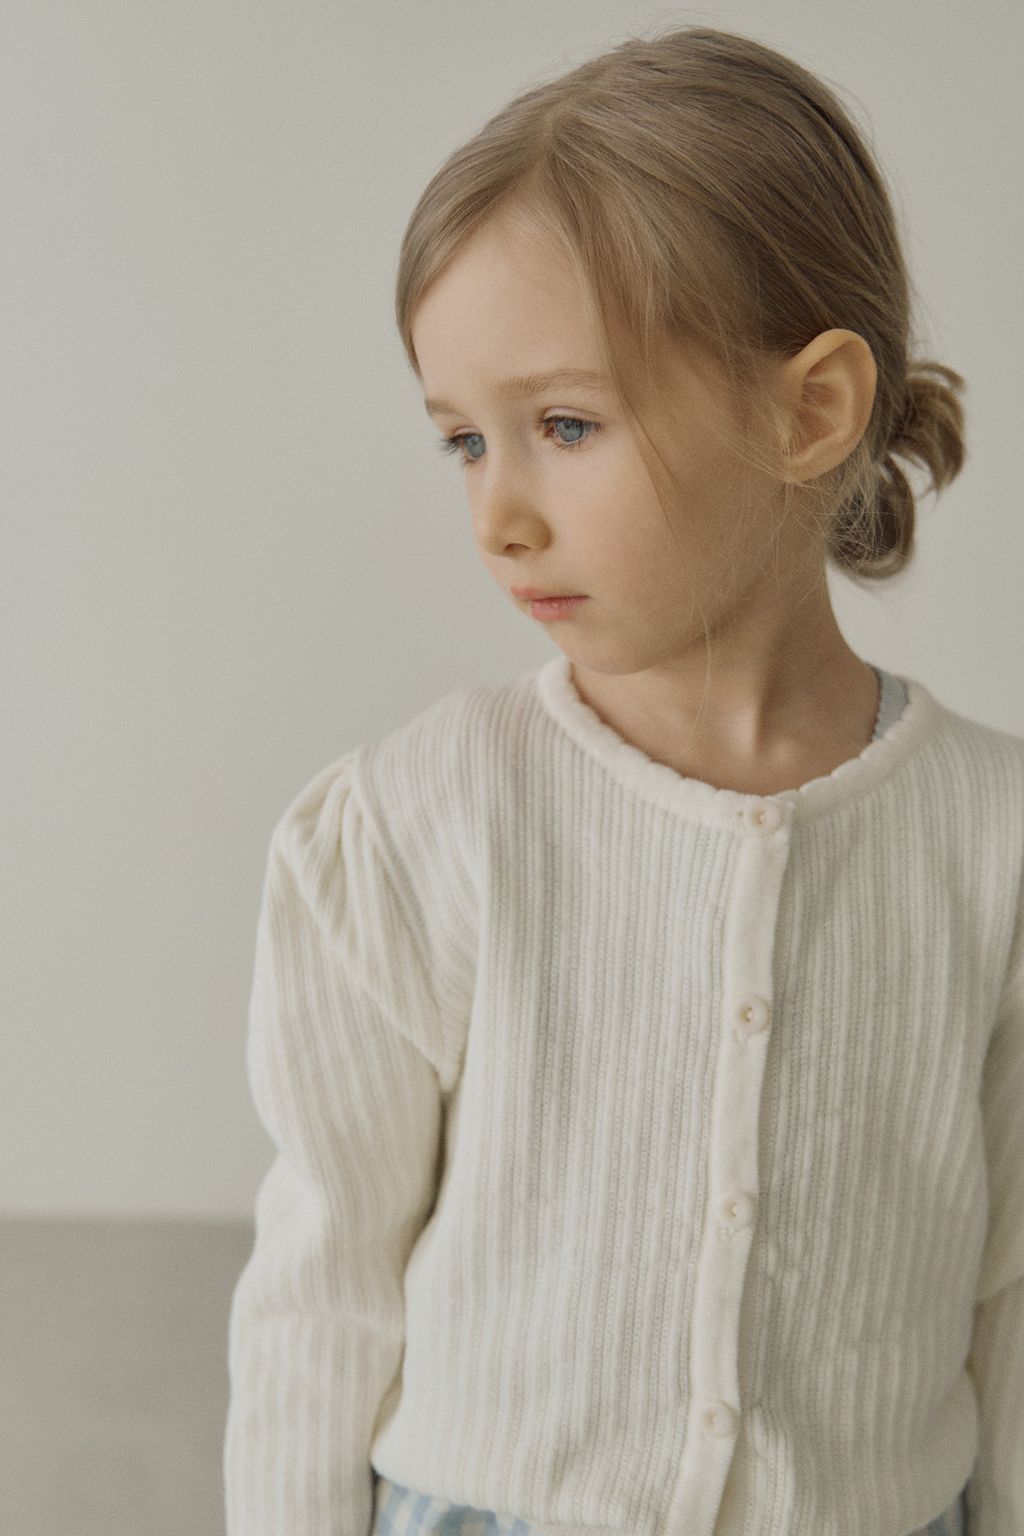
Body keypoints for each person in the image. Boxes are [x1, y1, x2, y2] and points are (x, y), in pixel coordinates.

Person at [223, 24, 1023, 1536]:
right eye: (465, 442)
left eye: (565, 426)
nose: (499, 514)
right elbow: (321, 1289)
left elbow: (1012, 1295)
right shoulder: (421, 822)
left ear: (809, 410)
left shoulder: (993, 843)